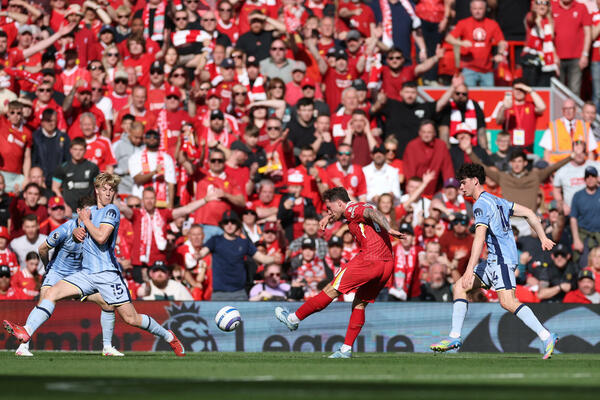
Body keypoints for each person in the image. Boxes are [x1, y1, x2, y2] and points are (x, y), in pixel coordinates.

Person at [3, 173, 186, 357]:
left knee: (132, 318)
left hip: (107, 274)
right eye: (104, 189)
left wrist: (86, 221)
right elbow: (81, 232)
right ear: (97, 190)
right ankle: (26, 331)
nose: (108, 193)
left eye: (111, 190)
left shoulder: (111, 211)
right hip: (86, 274)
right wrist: (76, 232)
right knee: (51, 293)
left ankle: (168, 336)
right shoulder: (90, 211)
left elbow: (101, 237)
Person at [430, 163, 559, 360]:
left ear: (475, 181)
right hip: (493, 260)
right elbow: (530, 213)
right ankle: (454, 337)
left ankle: (546, 335)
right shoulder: (498, 200)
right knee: (459, 287)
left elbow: (479, 238)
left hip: (502, 260)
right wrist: (542, 237)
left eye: (463, 183)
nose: (461, 188)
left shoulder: (481, 204)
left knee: (508, 302)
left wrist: (469, 269)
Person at [275, 187, 404, 358]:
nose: (328, 211)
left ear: (340, 203)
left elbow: (373, 214)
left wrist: (389, 228)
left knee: (331, 290)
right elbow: (367, 213)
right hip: (386, 264)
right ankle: (345, 350)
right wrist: (329, 217)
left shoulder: (353, 209)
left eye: (329, 208)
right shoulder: (357, 208)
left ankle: (293, 319)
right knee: (359, 304)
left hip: (369, 259)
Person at [10, 196, 122, 357]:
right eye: (87, 211)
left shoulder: (96, 231)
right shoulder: (65, 229)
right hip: (57, 273)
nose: (91, 215)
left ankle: (107, 347)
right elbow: (42, 249)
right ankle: (23, 347)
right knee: (44, 299)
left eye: (93, 212)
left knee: (108, 302)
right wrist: (47, 267)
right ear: (78, 212)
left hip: (78, 276)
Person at [185, 210, 281, 300]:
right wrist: (198, 255)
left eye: (233, 222)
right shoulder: (215, 240)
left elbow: (261, 258)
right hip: (219, 293)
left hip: (239, 292)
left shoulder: (244, 242)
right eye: (226, 222)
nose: (229, 225)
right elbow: (202, 252)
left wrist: (273, 259)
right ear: (222, 225)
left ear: (237, 224)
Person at [570, 166, 600, 266]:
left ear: (597, 178)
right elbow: (573, 218)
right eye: (588, 176)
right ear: (584, 179)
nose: (590, 179)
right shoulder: (578, 196)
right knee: (584, 265)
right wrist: (576, 239)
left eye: (593, 176)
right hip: (585, 235)